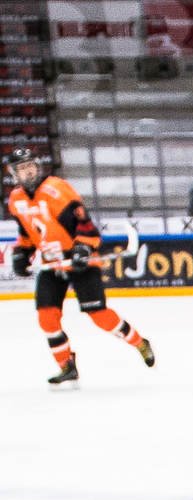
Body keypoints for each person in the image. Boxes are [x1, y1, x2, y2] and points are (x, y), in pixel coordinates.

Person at [4, 145, 153, 387]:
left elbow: (84, 225)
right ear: (13, 174)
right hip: (52, 263)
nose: (28, 172)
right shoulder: (16, 199)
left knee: (99, 316)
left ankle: (139, 342)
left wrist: (82, 249)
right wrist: (22, 253)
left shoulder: (56, 190)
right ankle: (66, 366)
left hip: (79, 260)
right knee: (47, 318)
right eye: (22, 169)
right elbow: (28, 233)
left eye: (31, 166)